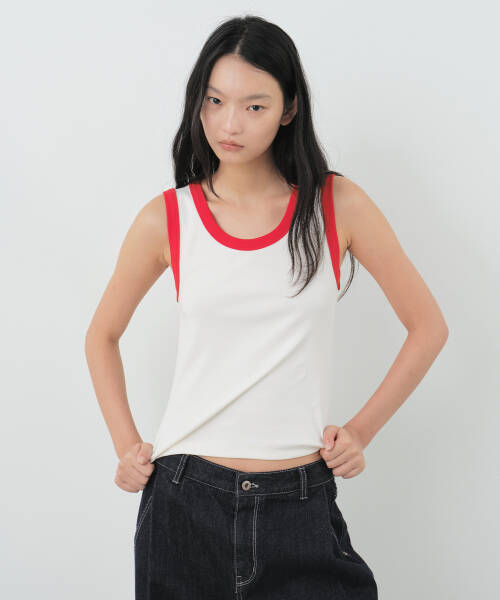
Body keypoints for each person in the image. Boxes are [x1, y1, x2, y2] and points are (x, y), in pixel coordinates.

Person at [84, 14, 448, 600]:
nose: (229, 124)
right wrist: (126, 446)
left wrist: (361, 431)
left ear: (289, 108)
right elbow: (101, 335)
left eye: (254, 106)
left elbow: (428, 327)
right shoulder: (168, 217)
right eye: (215, 101)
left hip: (300, 502)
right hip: (183, 501)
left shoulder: (337, 205)